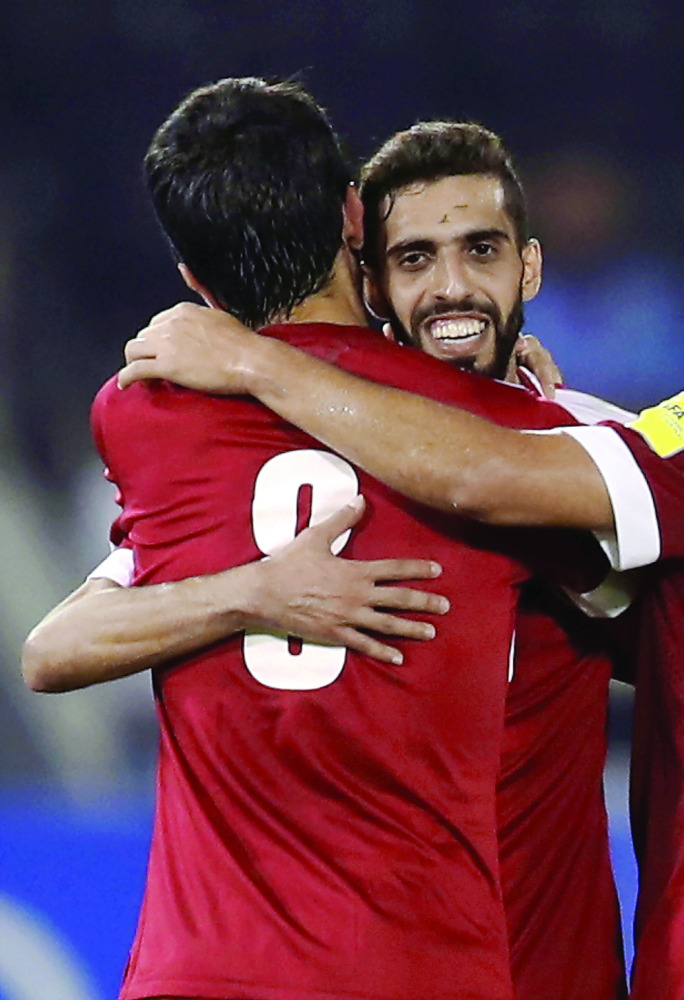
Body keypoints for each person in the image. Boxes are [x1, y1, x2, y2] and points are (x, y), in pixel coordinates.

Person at [26, 114, 632, 999]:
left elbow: (52, 651)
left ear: (194, 280)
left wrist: (240, 592)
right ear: (358, 219)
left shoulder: (143, 415)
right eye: (419, 255)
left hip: (195, 973)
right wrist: (533, 401)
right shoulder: (514, 438)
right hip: (416, 968)